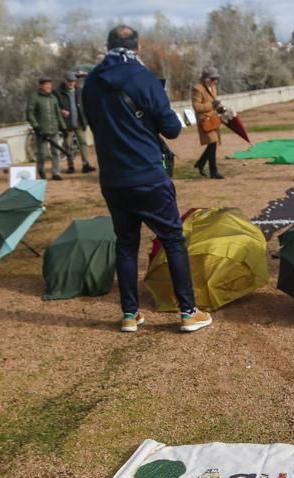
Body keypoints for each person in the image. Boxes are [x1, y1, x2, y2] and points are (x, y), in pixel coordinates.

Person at [83, 25, 213, 333]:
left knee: (126, 244)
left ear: (108, 45)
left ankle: (130, 314)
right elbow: (170, 128)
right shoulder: (143, 78)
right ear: (137, 47)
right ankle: (188, 312)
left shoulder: (91, 82)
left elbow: (93, 122)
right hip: (147, 175)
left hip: (113, 178)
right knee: (173, 240)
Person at [26, 76, 65, 180]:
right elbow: (30, 113)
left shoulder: (53, 98)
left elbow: (58, 114)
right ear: (40, 86)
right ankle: (41, 171)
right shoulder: (34, 97)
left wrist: (63, 127)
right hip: (41, 131)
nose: (48, 86)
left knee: (56, 152)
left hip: (54, 129)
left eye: (50, 84)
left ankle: (56, 173)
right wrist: (36, 127)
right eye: (46, 84)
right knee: (42, 153)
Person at [56, 71, 94, 174]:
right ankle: (71, 166)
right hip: (66, 124)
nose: (71, 83)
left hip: (79, 122)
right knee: (68, 145)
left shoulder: (80, 91)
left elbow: (85, 104)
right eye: (69, 81)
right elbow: (55, 106)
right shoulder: (58, 93)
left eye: (73, 81)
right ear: (65, 81)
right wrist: (61, 111)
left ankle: (86, 165)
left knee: (83, 143)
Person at [192, 66, 225, 179]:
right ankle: (213, 171)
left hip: (213, 119)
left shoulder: (213, 87)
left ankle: (201, 163)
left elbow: (215, 102)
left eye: (216, 79)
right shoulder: (197, 88)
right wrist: (212, 105)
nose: (215, 81)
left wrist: (221, 109)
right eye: (213, 78)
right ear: (206, 79)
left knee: (213, 144)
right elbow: (197, 107)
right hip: (205, 121)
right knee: (213, 143)